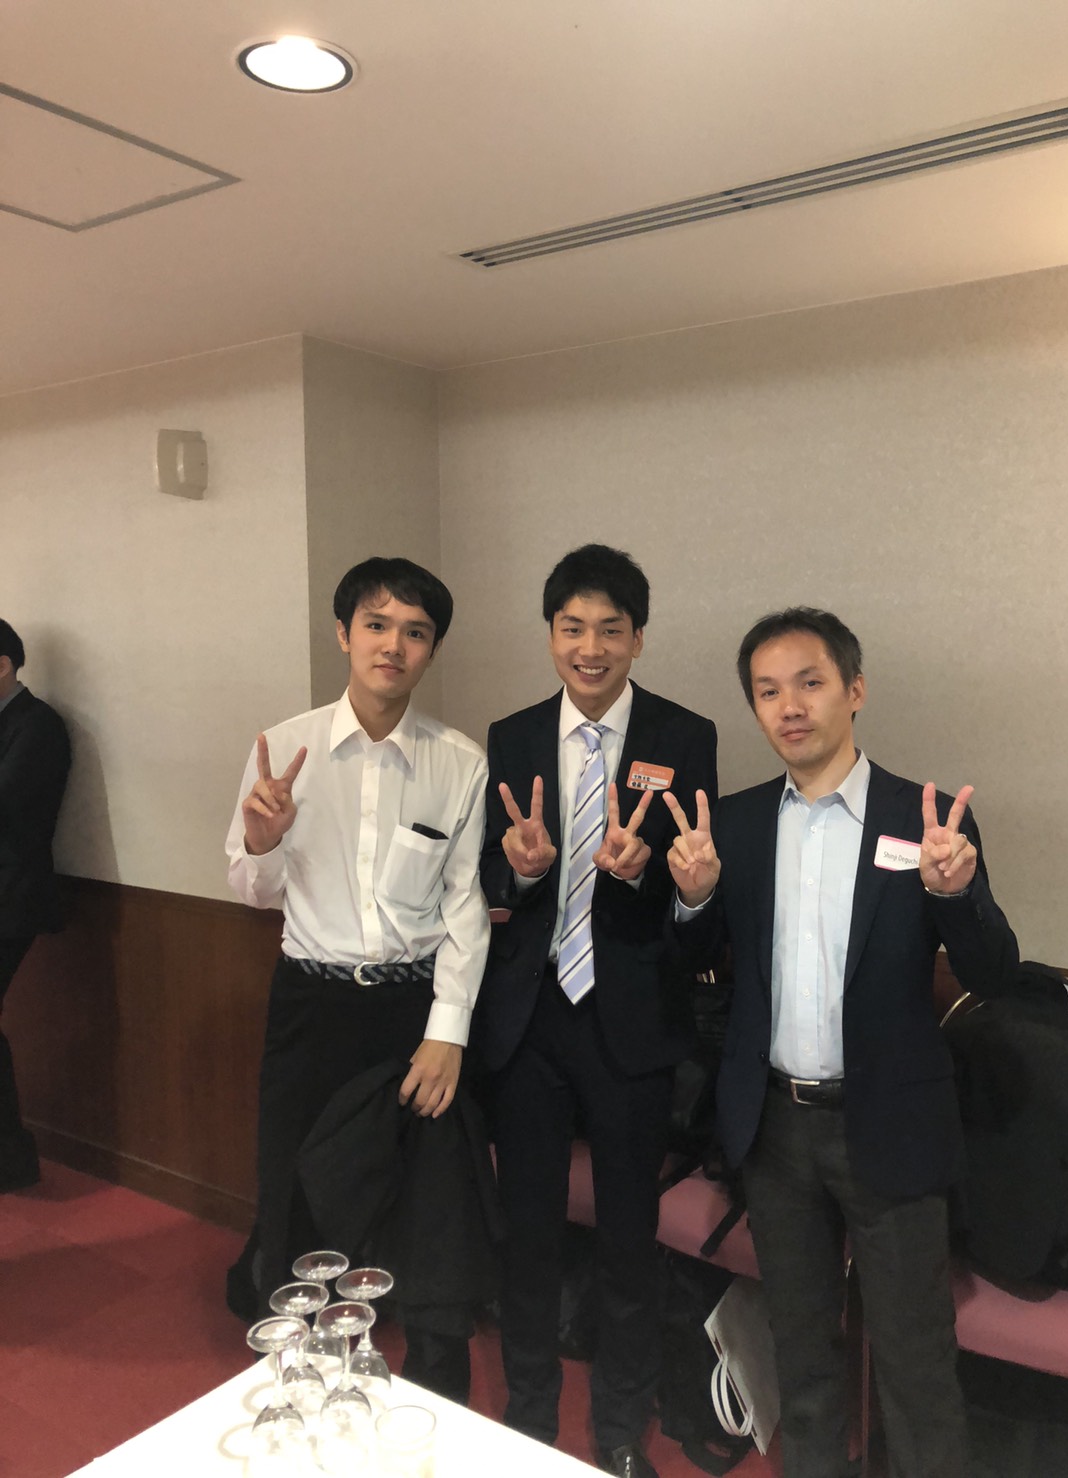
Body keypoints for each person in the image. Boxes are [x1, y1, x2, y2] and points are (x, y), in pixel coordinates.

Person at [665, 607, 1019, 1478]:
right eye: (768, 691)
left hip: (890, 1123)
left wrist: (956, 892)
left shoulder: (925, 820)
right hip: (776, 1130)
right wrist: (694, 899)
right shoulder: (739, 824)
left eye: (810, 683)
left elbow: (993, 972)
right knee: (803, 1357)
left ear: (855, 691)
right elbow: (700, 960)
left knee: (916, 1364)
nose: (790, 706)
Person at [226, 557, 492, 1404]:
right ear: (344, 634)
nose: (393, 646)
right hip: (311, 1003)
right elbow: (250, 888)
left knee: (431, 1198)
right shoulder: (285, 750)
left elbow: (465, 909)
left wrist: (447, 1032)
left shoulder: (459, 762)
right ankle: (300, 1377)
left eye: (415, 632)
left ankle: (435, 1386)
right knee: (295, 1185)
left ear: (431, 649)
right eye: (376, 625)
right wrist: (263, 839)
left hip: (412, 1009)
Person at [477, 544, 717, 1478]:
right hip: (531, 1019)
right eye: (572, 628)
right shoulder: (511, 734)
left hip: (630, 1021)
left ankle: (619, 1429)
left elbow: (692, 870)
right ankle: (529, 1413)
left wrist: (652, 876)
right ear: (550, 636)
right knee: (528, 1232)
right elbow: (493, 872)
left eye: (609, 630)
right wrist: (521, 871)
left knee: (627, 1240)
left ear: (638, 639)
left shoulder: (683, 735)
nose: (590, 648)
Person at [0, 620, 71, 1192]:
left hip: (12, 896)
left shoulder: (38, 725)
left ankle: (12, 1160)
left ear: (2, 666)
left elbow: (9, 808)